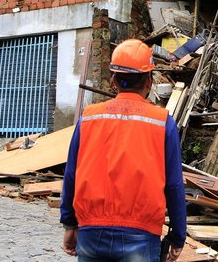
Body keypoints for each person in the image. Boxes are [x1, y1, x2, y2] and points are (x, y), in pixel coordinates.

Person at [60, 39, 187, 261]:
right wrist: (178, 236)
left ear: (113, 81)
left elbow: (71, 174)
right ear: (149, 81)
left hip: (91, 233)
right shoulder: (162, 122)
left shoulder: (89, 118)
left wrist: (70, 222)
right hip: (141, 235)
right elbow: (174, 184)